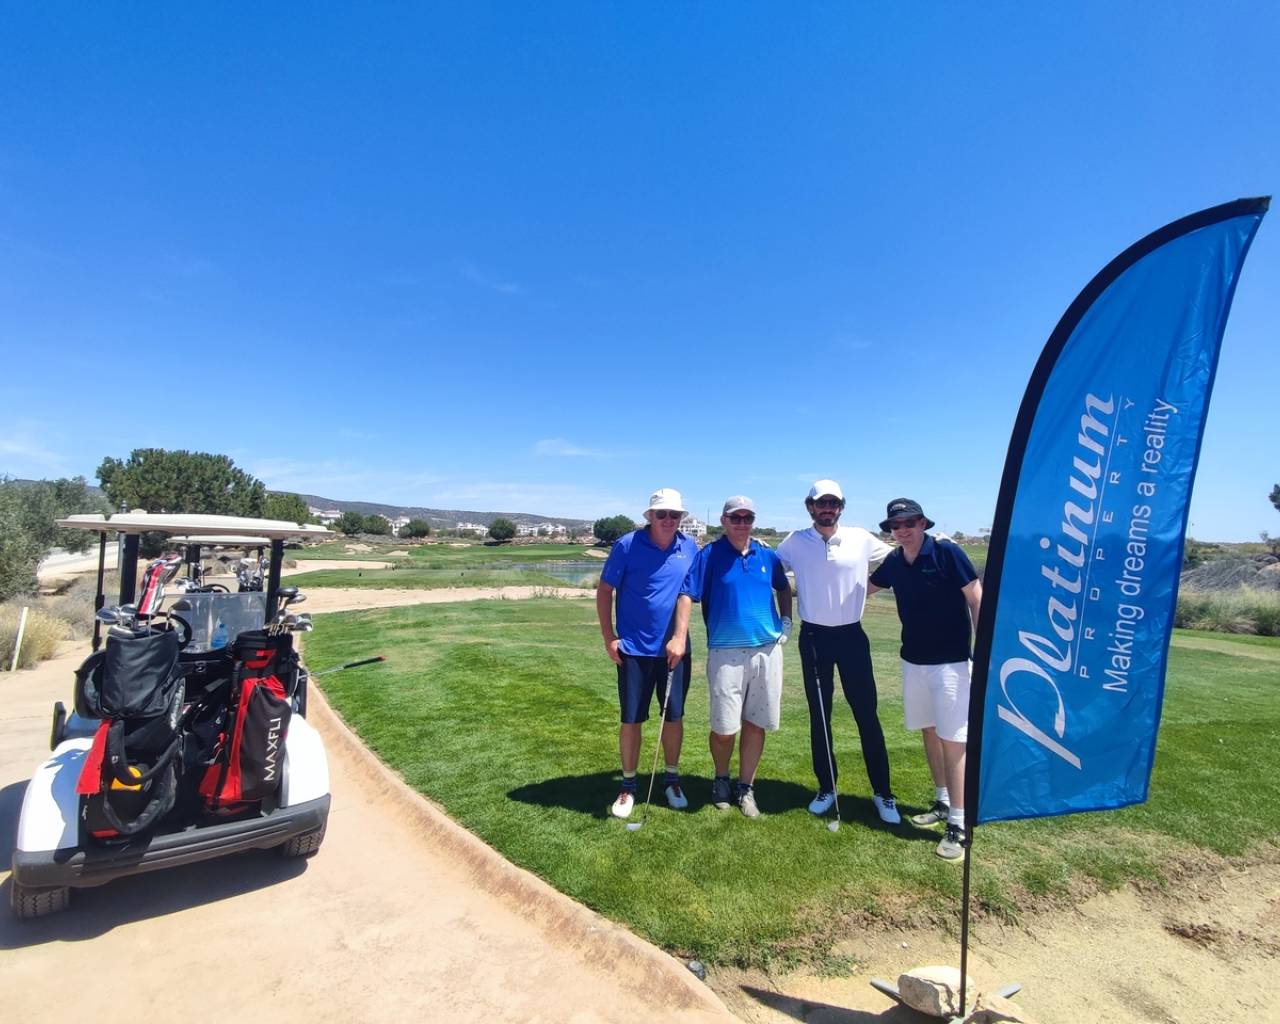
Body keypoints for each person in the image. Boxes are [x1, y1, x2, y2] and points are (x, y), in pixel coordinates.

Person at [776, 480, 900, 825]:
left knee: (867, 715)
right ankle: (826, 787)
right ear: (810, 506)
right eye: (821, 503)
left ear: (841, 507)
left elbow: (897, 560)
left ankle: (883, 792)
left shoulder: (861, 538)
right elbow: (770, 571)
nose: (827, 508)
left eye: (833, 503)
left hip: (852, 637)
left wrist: (866, 589)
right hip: (814, 638)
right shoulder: (794, 542)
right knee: (820, 716)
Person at [868, 498, 982, 861]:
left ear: (922, 523)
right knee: (930, 732)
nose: (902, 530)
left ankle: (959, 825)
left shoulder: (948, 553)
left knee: (954, 740)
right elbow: (863, 588)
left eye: (909, 523)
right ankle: (943, 802)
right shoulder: (895, 561)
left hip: (951, 664)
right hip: (913, 662)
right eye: (895, 526)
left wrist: (982, 652)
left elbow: (976, 599)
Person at [670, 496, 792, 818]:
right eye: (735, 518)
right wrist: (679, 636)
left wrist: (787, 621)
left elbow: (783, 587)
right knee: (724, 727)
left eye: (747, 518)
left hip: (767, 650)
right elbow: (687, 594)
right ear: (724, 521)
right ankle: (721, 778)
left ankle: (746, 787)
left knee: (756, 723)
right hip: (725, 652)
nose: (741, 523)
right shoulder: (709, 555)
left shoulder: (767, 554)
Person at [596, 487, 698, 819]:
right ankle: (628, 786)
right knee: (631, 719)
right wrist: (609, 637)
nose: (668, 520)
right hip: (634, 650)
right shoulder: (627, 545)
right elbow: (605, 590)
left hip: (674, 650)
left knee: (674, 717)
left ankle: (671, 780)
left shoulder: (689, 547)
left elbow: (687, 594)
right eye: (661, 514)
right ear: (650, 516)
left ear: (681, 517)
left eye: (674, 514)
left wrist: (679, 637)